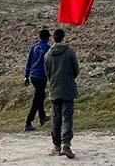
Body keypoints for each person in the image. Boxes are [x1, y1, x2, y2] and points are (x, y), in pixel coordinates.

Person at [45, 29, 79, 159]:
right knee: (67, 117)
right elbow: (76, 70)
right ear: (63, 37)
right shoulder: (69, 52)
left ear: (54, 38)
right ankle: (66, 144)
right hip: (68, 89)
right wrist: (69, 78)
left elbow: (47, 73)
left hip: (54, 89)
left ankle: (56, 145)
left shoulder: (48, 55)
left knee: (56, 118)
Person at [24, 29, 52, 131]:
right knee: (37, 99)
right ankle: (28, 122)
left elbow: (29, 62)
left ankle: (42, 117)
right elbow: (50, 63)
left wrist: (26, 76)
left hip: (33, 75)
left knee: (40, 95)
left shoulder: (34, 47)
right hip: (42, 76)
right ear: (47, 37)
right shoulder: (48, 48)